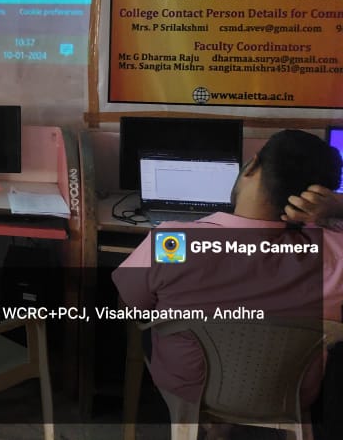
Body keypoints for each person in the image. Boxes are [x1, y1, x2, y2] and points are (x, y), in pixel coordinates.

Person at [113, 129, 343, 421]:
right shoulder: (335, 251)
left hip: (191, 390)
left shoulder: (172, 241)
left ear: (252, 166)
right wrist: (337, 207)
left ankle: (211, 425)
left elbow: (129, 306)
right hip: (289, 394)